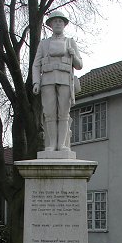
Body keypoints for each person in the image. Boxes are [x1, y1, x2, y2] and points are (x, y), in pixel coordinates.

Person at [32, 10, 83, 152]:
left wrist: (74, 55)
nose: (58, 24)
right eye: (55, 21)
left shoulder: (70, 42)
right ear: (50, 25)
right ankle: (51, 144)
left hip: (65, 80)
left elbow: (79, 65)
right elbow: (36, 64)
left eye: (60, 21)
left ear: (64, 24)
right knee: (49, 113)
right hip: (47, 80)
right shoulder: (44, 44)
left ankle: (62, 145)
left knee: (63, 113)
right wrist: (36, 82)